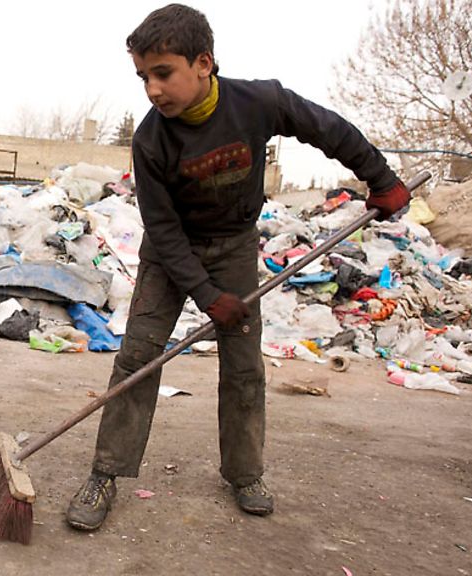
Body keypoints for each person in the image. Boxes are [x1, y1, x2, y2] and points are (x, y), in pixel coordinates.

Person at [65, 3, 410, 530]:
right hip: (170, 256)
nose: (153, 90)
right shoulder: (151, 140)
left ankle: (245, 473)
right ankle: (106, 472)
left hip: (232, 246)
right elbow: (162, 229)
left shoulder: (258, 102)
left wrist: (380, 178)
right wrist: (206, 295)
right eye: (143, 78)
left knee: (244, 365)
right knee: (137, 359)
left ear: (203, 62)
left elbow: (328, 129)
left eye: (163, 73)